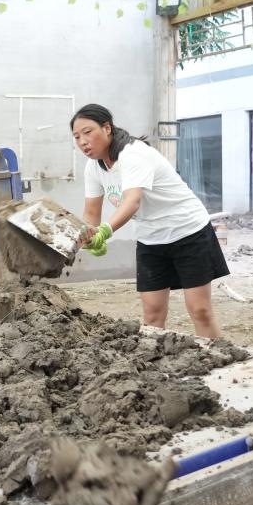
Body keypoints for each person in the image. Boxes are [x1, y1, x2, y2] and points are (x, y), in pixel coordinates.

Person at [71, 104, 226, 339]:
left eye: (88, 132)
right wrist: (88, 236)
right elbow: (91, 212)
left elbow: (132, 201)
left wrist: (105, 231)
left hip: (188, 232)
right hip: (150, 239)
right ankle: (152, 366)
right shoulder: (93, 168)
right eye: (76, 136)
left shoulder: (134, 154)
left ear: (107, 128)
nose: (82, 141)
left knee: (200, 310)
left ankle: (219, 362)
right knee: (152, 314)